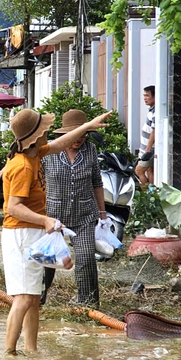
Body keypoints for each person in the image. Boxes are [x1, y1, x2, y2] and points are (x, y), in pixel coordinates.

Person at [0, 108, 110, 355]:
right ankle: (9, 355)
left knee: (34, 298)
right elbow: (12, 208)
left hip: (33, 232)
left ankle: (32, 351)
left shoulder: (35, 154)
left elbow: (61, 143)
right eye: (44, 130)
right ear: (35, 136)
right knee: (24, 298)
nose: (48, 133)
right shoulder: (23, 167)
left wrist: (88, 124)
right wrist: (46, 220)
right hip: (20, 234)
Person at [41, 109, 106, 307]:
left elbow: (97, 181)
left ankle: (88, 305)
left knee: (86, 259)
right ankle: (37, 298)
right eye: (74, 134)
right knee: (47, 262)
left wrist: (102, 213)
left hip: (84, 214)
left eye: (83, 134)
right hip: (53, 215)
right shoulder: (49, 151)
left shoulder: (90, 150)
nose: (78, 139)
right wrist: (5, 169)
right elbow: (27, 165)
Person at [136, 85, 155, 186]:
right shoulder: (151, 110)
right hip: (145, 148)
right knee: (149, 170)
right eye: (144, 95)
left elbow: (154, 131)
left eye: (147, 95)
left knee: (139, 170)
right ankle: (152, 192)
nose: (145, 98)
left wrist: (148, 147)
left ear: (155, 97)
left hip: (148, 149)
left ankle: (147, 192)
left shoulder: (156, 112)